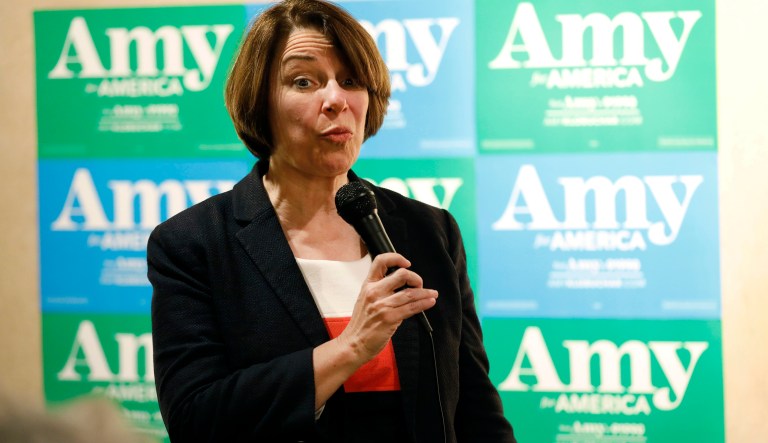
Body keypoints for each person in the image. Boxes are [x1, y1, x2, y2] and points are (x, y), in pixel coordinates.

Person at [148, 0, 516, 441]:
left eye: (351, 80)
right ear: (259, 101)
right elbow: (195, 419)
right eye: (304, 81)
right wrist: (351, 347)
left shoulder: (429, 230)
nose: (336, 100)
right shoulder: (195, 243)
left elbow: (473, 406)